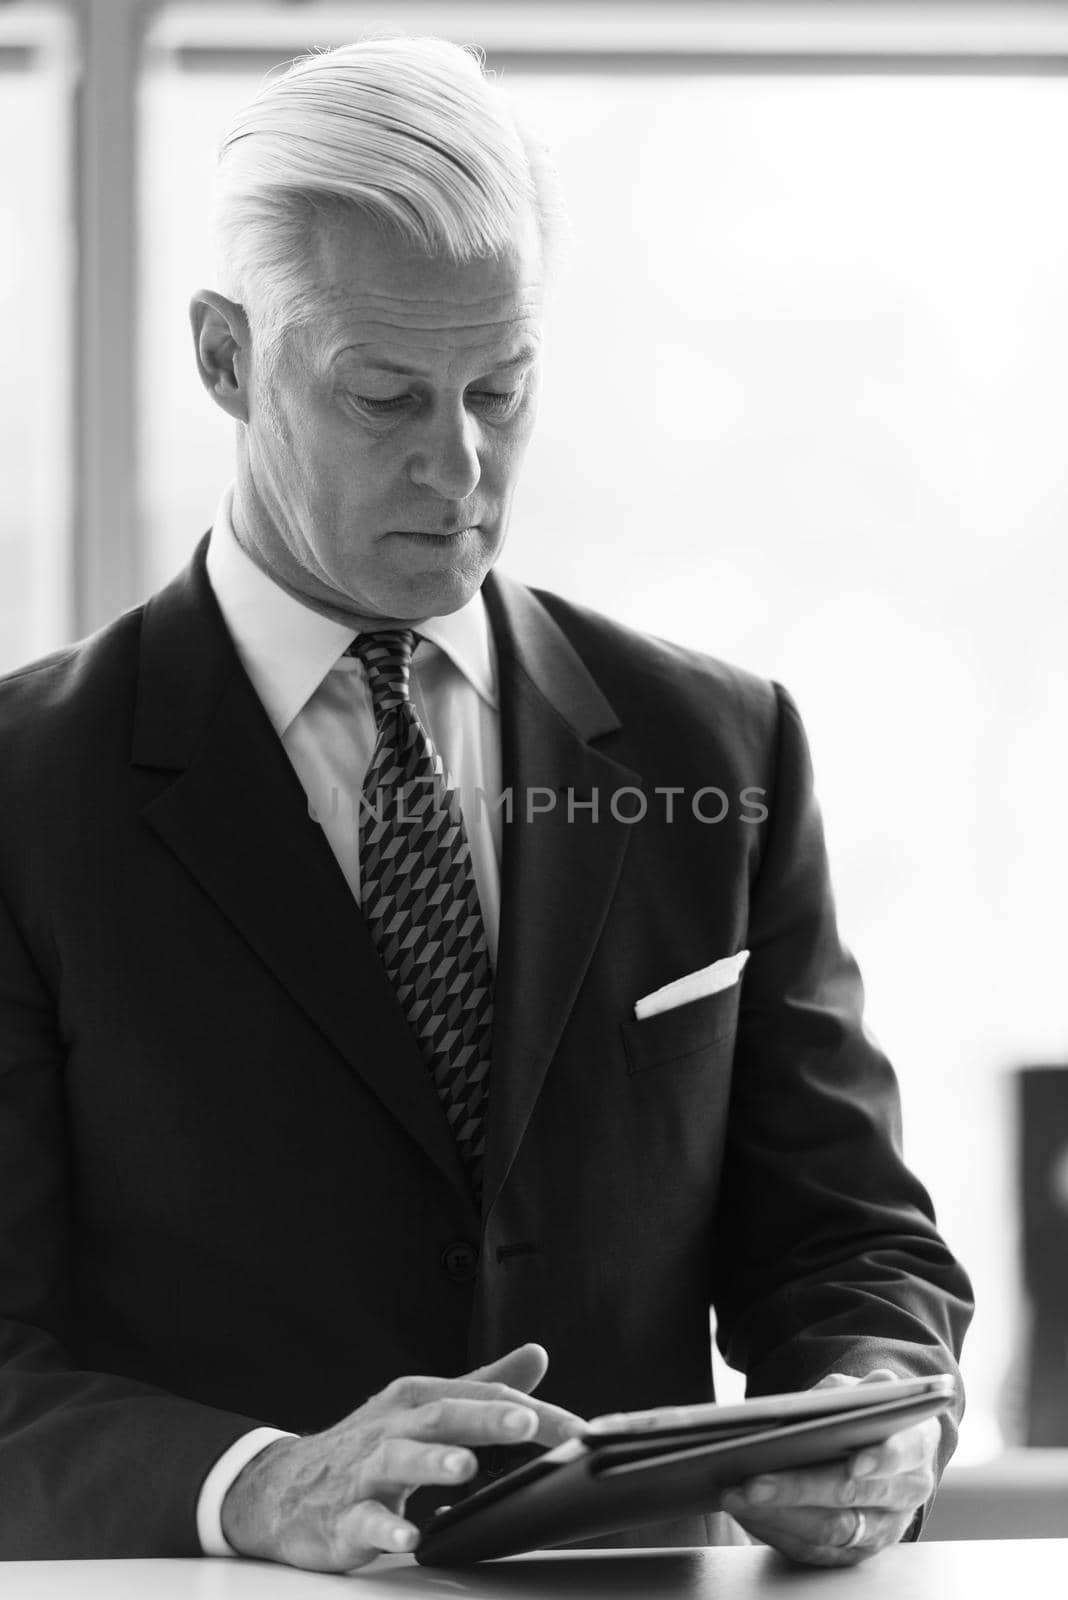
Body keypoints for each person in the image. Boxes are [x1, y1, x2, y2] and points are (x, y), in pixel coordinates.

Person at [0, 35, 971, 1572]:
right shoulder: (25, 790)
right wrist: (260, 1484)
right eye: (384, 396)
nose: (457, 466)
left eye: (500, 391)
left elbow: (850, 1243)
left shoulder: (716, 745)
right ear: (226, 357)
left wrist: (866, 1415)